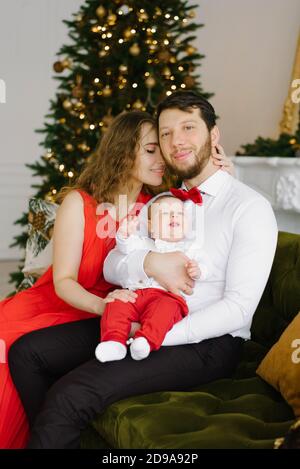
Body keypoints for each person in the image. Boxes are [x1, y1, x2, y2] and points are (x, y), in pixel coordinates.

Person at [8, 91, 273, 450]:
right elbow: (114, 262)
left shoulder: (248, 207)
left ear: (213, 136)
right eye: (165, 134)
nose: (176, 140)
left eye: (188, 127)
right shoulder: (164, 202)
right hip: (140, 311)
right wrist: (148, 262)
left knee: (70, 395)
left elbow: (239, 309)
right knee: (27, 353)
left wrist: (153, 333)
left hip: (204, 341)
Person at [0, 110, 170, 448]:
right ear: (123, 151)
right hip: (64, 300)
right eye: (151, 150)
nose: (161, 159)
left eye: (161, 151)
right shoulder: (79, 203)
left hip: (113, 313)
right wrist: (104, 305)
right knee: (5, 344)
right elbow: (63, 281)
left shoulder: (157, 208)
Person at [96, 192, 212, 363]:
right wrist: (124, 234)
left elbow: (206, 266)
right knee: (117, 304)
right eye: (165, 213)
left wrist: (199, 270)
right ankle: (113, 342)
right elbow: (125, 248)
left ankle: (145, 340)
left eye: (179, 214)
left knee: (165, 311)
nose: (173, 215)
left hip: (167, 297)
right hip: (136, 294)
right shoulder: (143, 242)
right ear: (150, 226)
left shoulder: (190, 248)